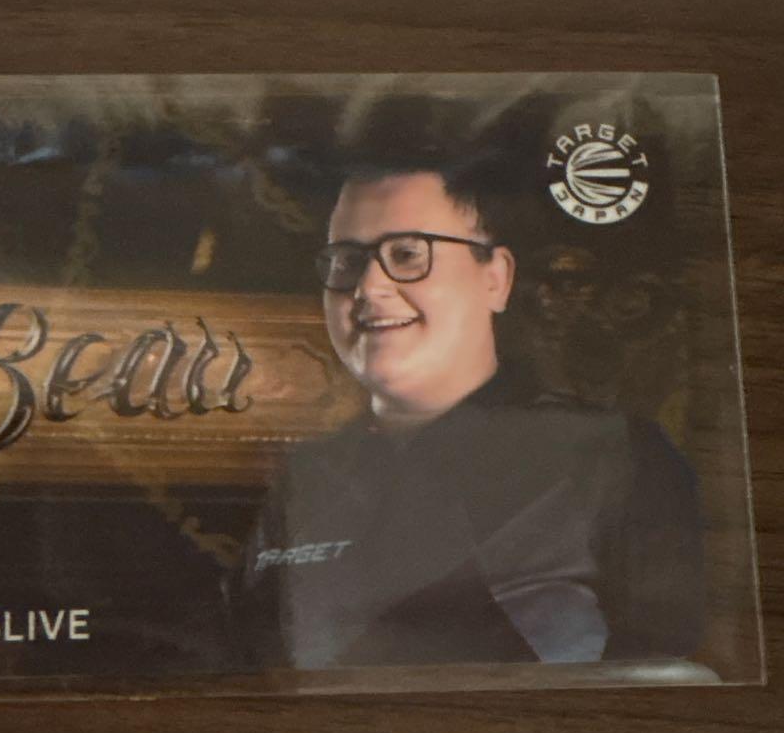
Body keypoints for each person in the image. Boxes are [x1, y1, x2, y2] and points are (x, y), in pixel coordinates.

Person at [231, 153, 703, 669]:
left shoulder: (614, 454)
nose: (368, 287)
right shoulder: (305, 478)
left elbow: (674, 679)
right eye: (346, 261)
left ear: (496, 278)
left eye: (407, 254)